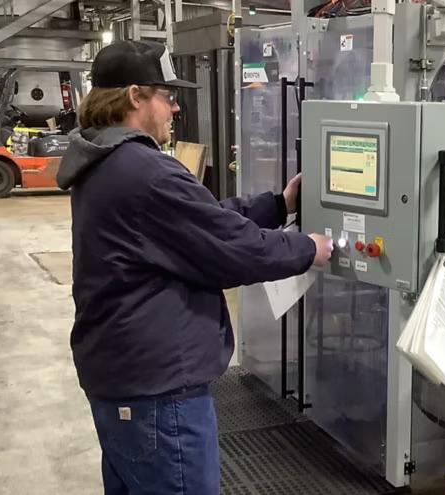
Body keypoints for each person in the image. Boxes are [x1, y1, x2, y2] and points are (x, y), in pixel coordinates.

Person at [55, 40, 332, 494]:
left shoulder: (104, 160)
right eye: (167, 95)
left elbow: (198, 222)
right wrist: (307, 248)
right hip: (159, 393)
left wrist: (278, 206)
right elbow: (230, 248)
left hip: (120, 378)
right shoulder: (144, 170)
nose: (176, 107)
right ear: (134, 97)